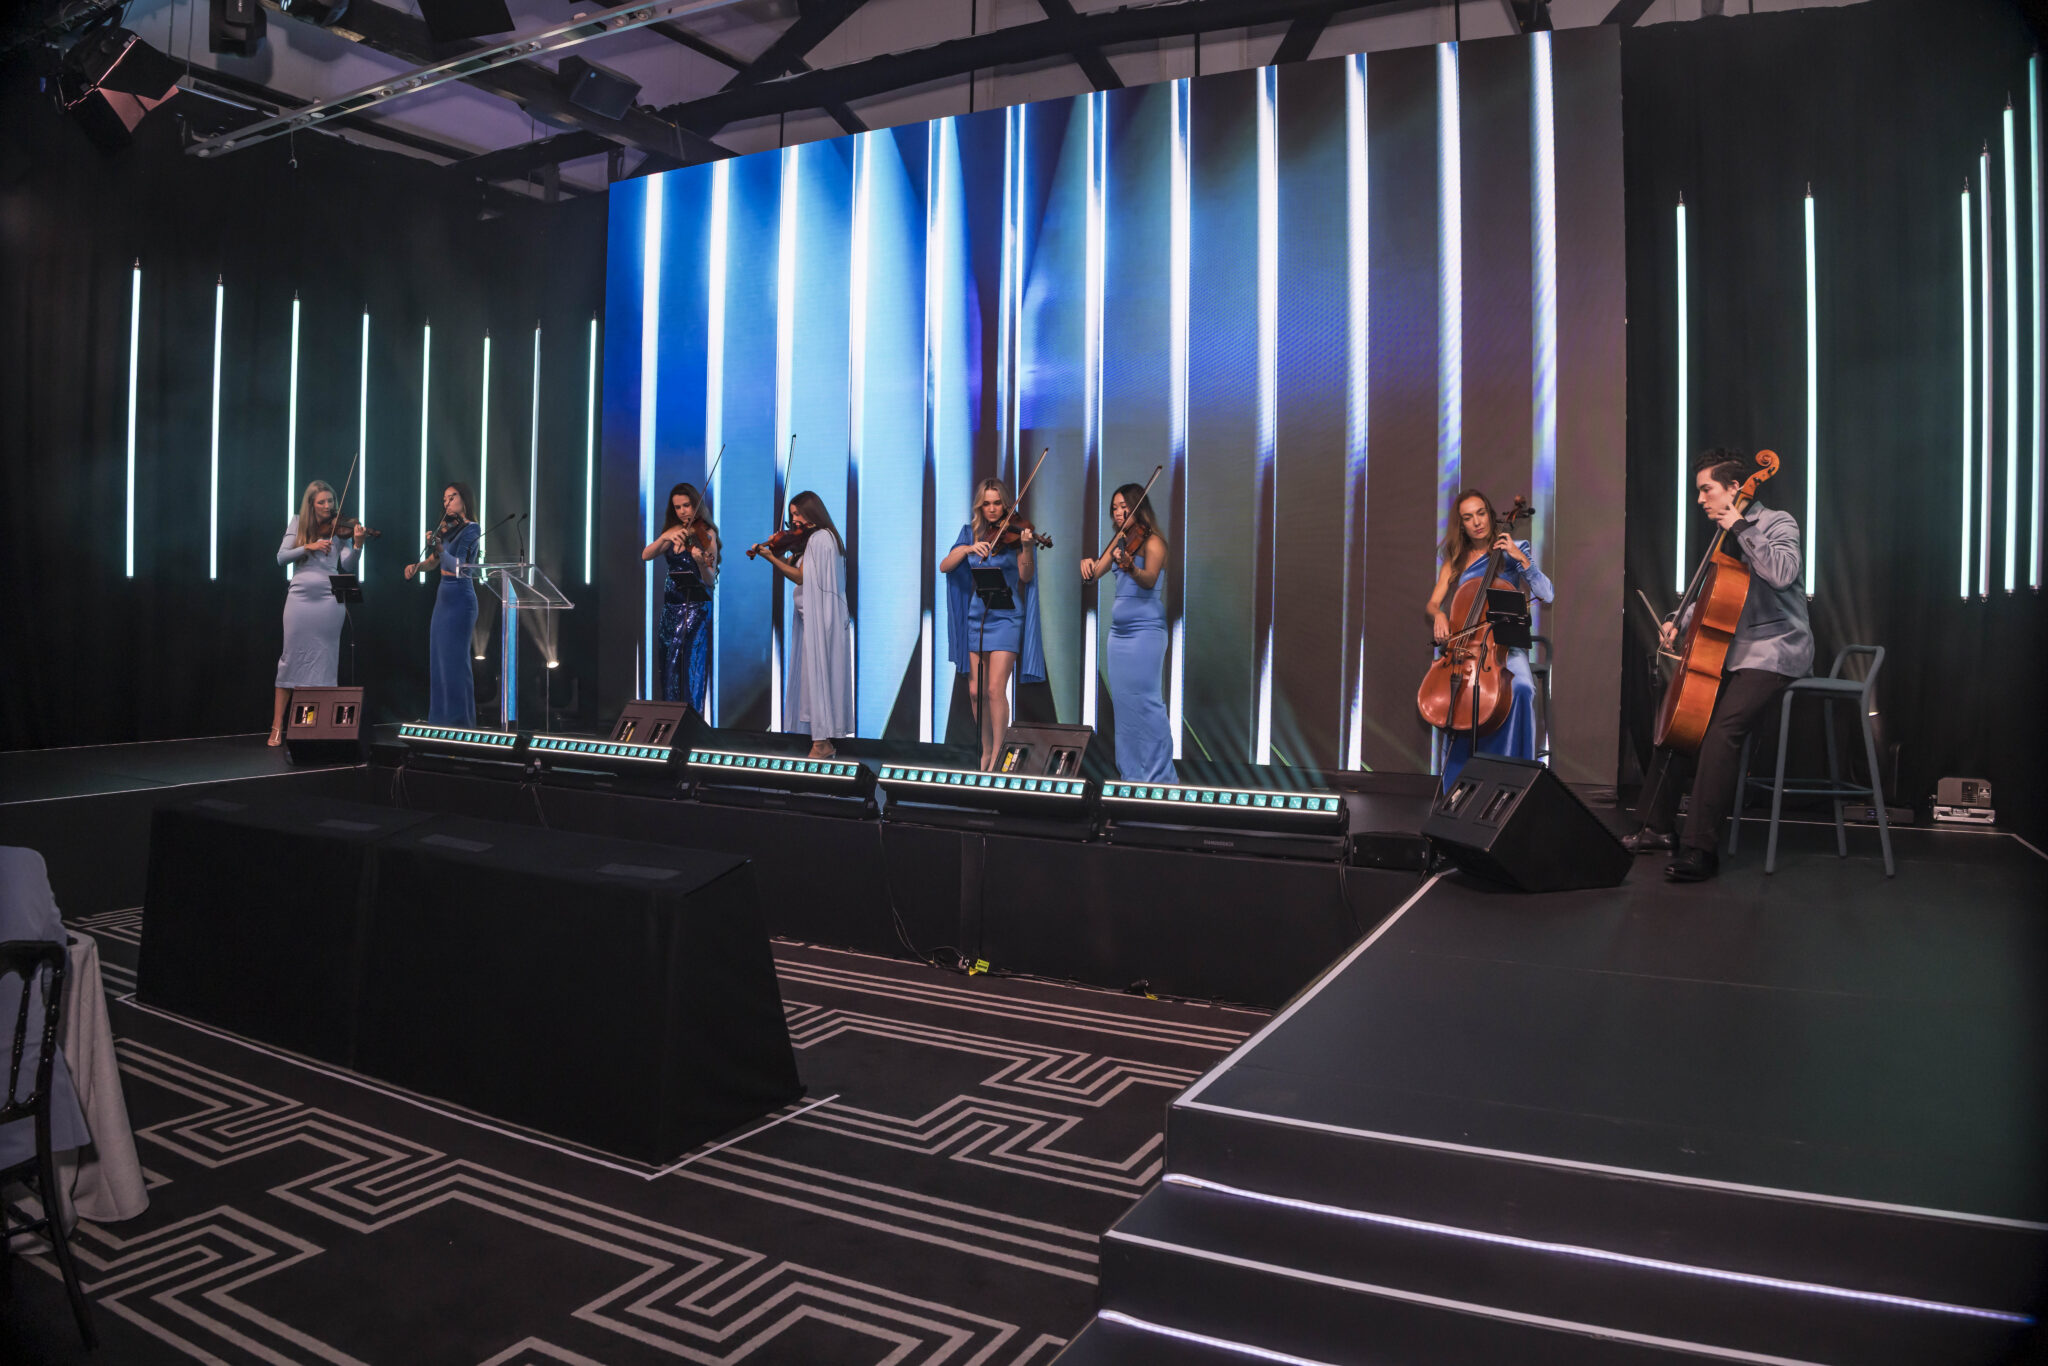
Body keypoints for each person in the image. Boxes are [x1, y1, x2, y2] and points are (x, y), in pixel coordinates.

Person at [1625, 448, 1811, 882]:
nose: (1700, 499)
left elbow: (1783, 573)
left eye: (1706, 489)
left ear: (1733, 488)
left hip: (1776, 651)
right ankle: (1655, 827)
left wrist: (1742, 527)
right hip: (1733, 653)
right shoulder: (1725, 536)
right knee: (1681, 724)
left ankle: (1699, 848)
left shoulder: (1777, 522)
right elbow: (1716, 593)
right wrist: (1677, 621)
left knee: (1722, 733)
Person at [1426, 489, 1554, 788]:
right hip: (1469, 651)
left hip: (1504, 648)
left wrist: (1519, 557)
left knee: (1522, 688)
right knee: (1458, 699)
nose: (1477, 522)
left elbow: (1547, 594)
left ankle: (1514, 777)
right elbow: (1433, 602)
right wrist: (1439, 615)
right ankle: (1459, 786)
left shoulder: (1515, 547)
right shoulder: (1456, 558)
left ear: (1490, 512)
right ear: (1462, 524)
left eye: (1481, 513)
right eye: (1468, 518)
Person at [941, 478, 1048, 770]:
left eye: (996, 502)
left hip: (1007, 616)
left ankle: (1000, 755)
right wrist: (966, 549)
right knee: (975, 691)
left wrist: (1026, 547)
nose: (991, 509)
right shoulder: (971, 532)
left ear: (1005, 503)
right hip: (978, 616)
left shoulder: (1017, 533)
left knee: (994, 689)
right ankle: (986, 749)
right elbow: (945, 566)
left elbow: (1025, 577)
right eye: (986, 503)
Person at [1081, 483, 1177, 783]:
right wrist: (1087, 565)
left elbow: (1148, 580)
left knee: (1148, 704)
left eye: (1124, 506)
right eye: (1114, 508)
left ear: (1138, 506)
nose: (1119, 512)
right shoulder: (1119, 541)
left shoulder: (1154, 542)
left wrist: (1130, 568)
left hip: (1145, 632)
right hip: (1119, 636)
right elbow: (1094, 573)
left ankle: (1161, 778)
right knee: (1124, 707)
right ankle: (1131, 775)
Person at [749, 492, 854, 759]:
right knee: (816, 677)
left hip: (822, 618)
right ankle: (821, 741)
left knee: (817, 676)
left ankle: (821, 743)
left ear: (812, 511)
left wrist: (770, 557)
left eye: (798, 513)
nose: (794, 520)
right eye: (792, 514)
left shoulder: (820, 538)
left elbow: (800, 577)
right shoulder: (820, 538)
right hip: (818, 616)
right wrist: (780, 551)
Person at [271, 480, 367, 746]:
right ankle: (277, 725)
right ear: (311, 504)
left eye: (331, 501)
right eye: (322, 502)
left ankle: (310, 726)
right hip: (300, 599)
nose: (328, 506)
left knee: (323, 664)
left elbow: (347, 565)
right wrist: (309, 546)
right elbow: (281, 557)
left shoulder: (341, 529)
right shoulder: (299, 522)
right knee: (290, 659)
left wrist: (358, 545)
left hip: (328, 600)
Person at [404, 483, 480, 726]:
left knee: (456, 664)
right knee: (439, 662)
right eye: (444, 498)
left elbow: (458, 565)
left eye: (452, 497)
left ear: (464, 499)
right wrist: (417, 567)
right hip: (443, 596)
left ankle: (461, 725)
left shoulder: (472, 529)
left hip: (461, 596)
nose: (447, 502)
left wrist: (439, 547)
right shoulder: (446, 530)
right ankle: (440, 723)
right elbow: (435, 562)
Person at [642, 481, 719, 712]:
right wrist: (666, 536)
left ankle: (690, 720)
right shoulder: (674, 532)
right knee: (668, 666)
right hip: (671, 609)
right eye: (678, 507)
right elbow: (646, 555)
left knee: (687, 667)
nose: (683, 511)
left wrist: (699, 561)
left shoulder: (707, 534)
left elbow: (709, 579)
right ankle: (669, 719)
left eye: (687, 505)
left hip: (695, 608)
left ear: (695, 505)